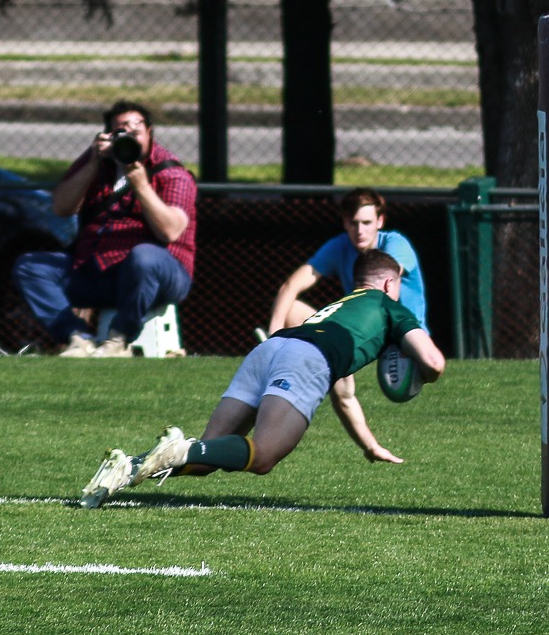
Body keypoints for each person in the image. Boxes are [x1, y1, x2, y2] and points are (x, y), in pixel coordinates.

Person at [81, 250, 445, 509]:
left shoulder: (341, 309)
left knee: (208, 454)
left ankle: (125, 469)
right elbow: (434, 361)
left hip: (271, 350)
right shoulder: (389, 306)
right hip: (305, 359)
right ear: (387, 283)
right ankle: (179, 448)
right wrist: (422, 378)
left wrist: (369, 445)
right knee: (265, 454)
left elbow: (344, 395)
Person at [13, 99, 197, 358]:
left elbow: (170, 232)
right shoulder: (97, 162)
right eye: (121, 133)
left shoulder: (170, 172)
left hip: (159, 274)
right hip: (98, 270)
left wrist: (142, 186)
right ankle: (77, 339)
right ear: (108, 135)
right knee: (31, 266)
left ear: (150, 133)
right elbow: (61, 208)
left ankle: (119, 339)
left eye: (136, 132)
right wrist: (92, 165)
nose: (129, 139)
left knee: (143, 257)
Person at [266, 187, 429, 463]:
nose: (359, 230)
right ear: (344, 223)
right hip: (363, 333)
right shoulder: (339, 246)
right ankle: (368, 442)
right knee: (291, 310)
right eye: (353, 223)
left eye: (366, 223)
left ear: (380, 221)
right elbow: (291, 285)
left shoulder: (395, 245)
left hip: (403, 340)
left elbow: (385, 287)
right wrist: (273, 333)